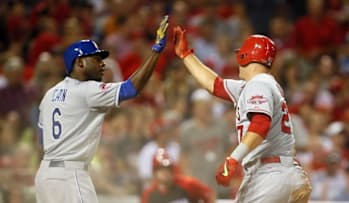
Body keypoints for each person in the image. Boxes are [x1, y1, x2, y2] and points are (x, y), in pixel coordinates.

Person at [34, 15, 169, 203]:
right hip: (71, 174)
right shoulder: (87, 90)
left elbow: (40, 142)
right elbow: (131, 88)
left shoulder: (49, 95)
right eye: (96, 59)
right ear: (79, 63)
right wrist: (155, 51)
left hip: (45, 176)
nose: (103, 63)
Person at [173, 26, 312, 202]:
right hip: (288, 175)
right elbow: (214, 85)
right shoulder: (258, 85)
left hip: (268, 176)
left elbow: (261, 124)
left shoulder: (258, 84)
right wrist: (186, 55)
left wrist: (233, 159)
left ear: (245, 56)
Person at [141, 148, 215, 203]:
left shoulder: (188, 184)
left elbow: (210, 194)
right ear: (154, 172)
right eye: (161, 169)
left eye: (168, 168)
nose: (165, 172)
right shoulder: (149, 195)